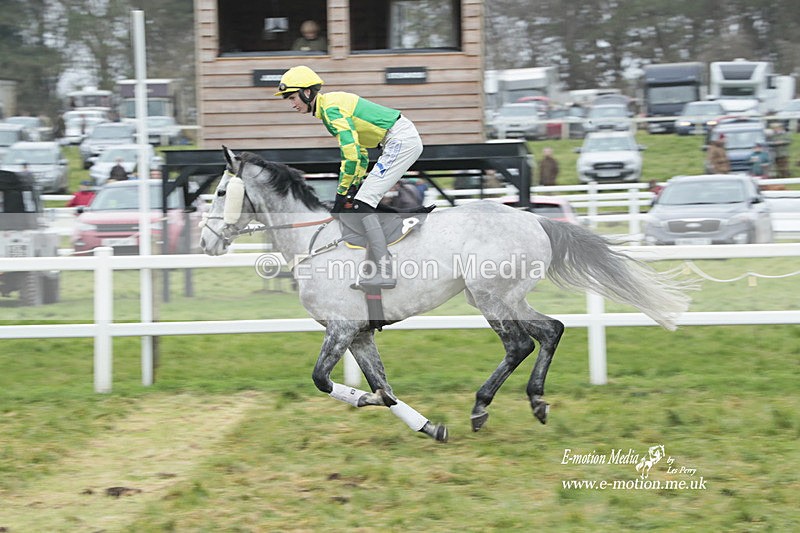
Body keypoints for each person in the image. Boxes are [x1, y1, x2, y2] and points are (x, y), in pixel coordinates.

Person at [275, 65, 423, 289]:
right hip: (397, 140)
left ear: (307, 92)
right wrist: (352, 186)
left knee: (363, 202)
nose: (292, 104)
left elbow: (351, 155)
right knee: (360, 200)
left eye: (293, 98)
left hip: (400, 140)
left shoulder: (331, 109)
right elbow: (361, 154)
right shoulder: (328, 108)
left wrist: (342, 191)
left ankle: (384, 270)